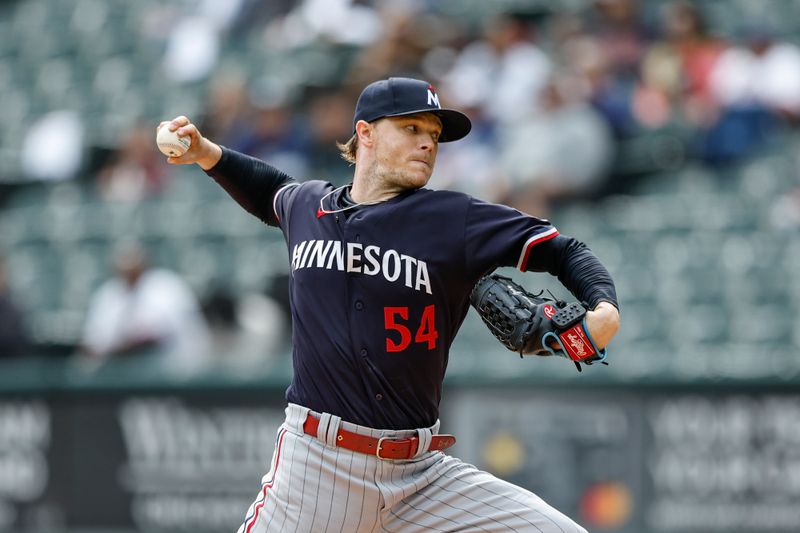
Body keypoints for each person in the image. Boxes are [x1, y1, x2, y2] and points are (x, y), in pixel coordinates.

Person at [160, 77, 620, 532]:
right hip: (318, 470)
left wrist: (603, 308)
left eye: (434, 136)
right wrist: (205, 154)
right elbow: (269, 191)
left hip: (423, 479)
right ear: (366, 133)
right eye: (412, 129)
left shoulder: (452, 219)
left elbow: (564, 250)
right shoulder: (308, 207)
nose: (427, 145)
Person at [80, 241, 211, 369]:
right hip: (120, 374)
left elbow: (168, 334)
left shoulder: (167, 286)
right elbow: (93, 344)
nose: (130, 270)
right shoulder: (108, 294)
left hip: (171, 372)